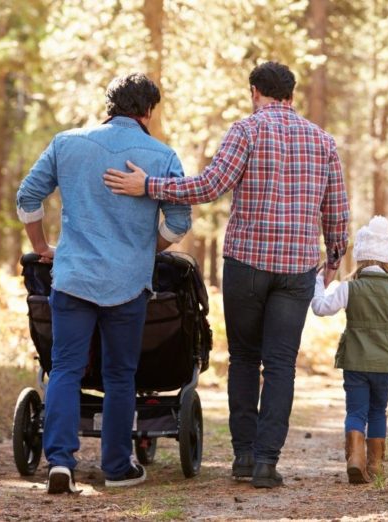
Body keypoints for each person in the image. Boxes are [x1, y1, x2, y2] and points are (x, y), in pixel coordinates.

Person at [103, 61, 349, 488]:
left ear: (256, 91)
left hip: (247, 266)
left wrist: (150, 186)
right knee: (280, 366)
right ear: (291, 95)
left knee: (244, 359)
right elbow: (337, 212)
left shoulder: (246, 131)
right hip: (295, 269)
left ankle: (243, 457)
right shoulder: (323, 141)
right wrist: (332, 261)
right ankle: (267, 464)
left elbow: (210, 186)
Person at [16, 73, 191, 494]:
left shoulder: (67, 142)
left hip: (73, 277)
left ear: (109, 104)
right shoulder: (163, 155)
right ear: (149, 111)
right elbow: (179, 223)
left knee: (64, 369)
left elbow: (27, 197)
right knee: (119, 375)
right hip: (128, 284)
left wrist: (43, 247)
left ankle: (59, 462)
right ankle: (116, 467)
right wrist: (145, 252)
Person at [311, 216, 388, 484]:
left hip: (355, 362)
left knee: (356, 412)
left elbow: (320, 308)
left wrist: (317, 282)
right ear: (386, 260)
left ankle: (355, 460)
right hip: (385, 364)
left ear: (361, 257)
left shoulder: (349, 287)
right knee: (377, 411)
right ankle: (375, 465)